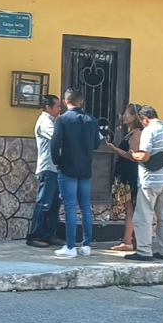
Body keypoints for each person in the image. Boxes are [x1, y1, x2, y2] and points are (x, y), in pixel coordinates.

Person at [50, 88, 101, 258]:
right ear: (82, 101)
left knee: (70, 207)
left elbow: (54, 145)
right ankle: (86, 245)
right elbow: (96, 144)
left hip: (67, 167)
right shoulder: (92, 120)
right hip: (85, 168)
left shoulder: (62, 120)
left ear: (65, 102)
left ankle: (71, 246)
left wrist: (57, 161)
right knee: (86, 207)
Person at [127, 105, 163, 261]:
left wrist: (133, 155)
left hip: (150, 181)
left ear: (145, 118)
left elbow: (145, 156)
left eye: (142, 121)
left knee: (143, 216)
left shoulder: (149, 131)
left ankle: (144, 251)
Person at [26, 94, 65, 248]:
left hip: (56, 168)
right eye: (57, 106)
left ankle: (49, 235)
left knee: (55, 204)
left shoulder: (54, 121)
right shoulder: (45, 122)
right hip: (48, 167)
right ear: (48, 107)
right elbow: (58, 138)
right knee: (44, 203)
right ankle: (35, 235)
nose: (59, 109)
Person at [104, 104, 143, 252]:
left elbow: (131, 155)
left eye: (127, 113)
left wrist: (114, 149)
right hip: (126, 173)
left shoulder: (136, 133)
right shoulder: (132, 132)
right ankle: (134, 240)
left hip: (128, 175)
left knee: (130, 208)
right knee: (131, 208)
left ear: (134, 116)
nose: (123, 116)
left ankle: (127, 241)